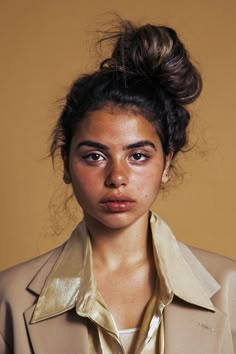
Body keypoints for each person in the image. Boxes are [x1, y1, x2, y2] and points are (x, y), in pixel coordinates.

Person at [0, 19, 235, 354]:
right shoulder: (8, 299)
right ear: (66, 163)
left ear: (166, 164)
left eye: (138, 155)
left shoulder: (230, 289)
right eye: (95, 156)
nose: (117, 177)